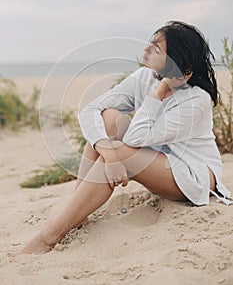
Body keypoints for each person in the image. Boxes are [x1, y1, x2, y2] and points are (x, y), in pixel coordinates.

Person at [12, 21, 231, 256]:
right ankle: (79, 212)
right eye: (151, 42)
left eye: (157, 49)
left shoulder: (196, 100)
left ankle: (48, 238)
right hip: (157, 159)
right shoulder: (145, 76)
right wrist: (106, 149)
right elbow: (91, 110)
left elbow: (136, 137)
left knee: (122, 154)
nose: (146, 49)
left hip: (193, 174)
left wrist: (158, 94)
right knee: (108, 119)